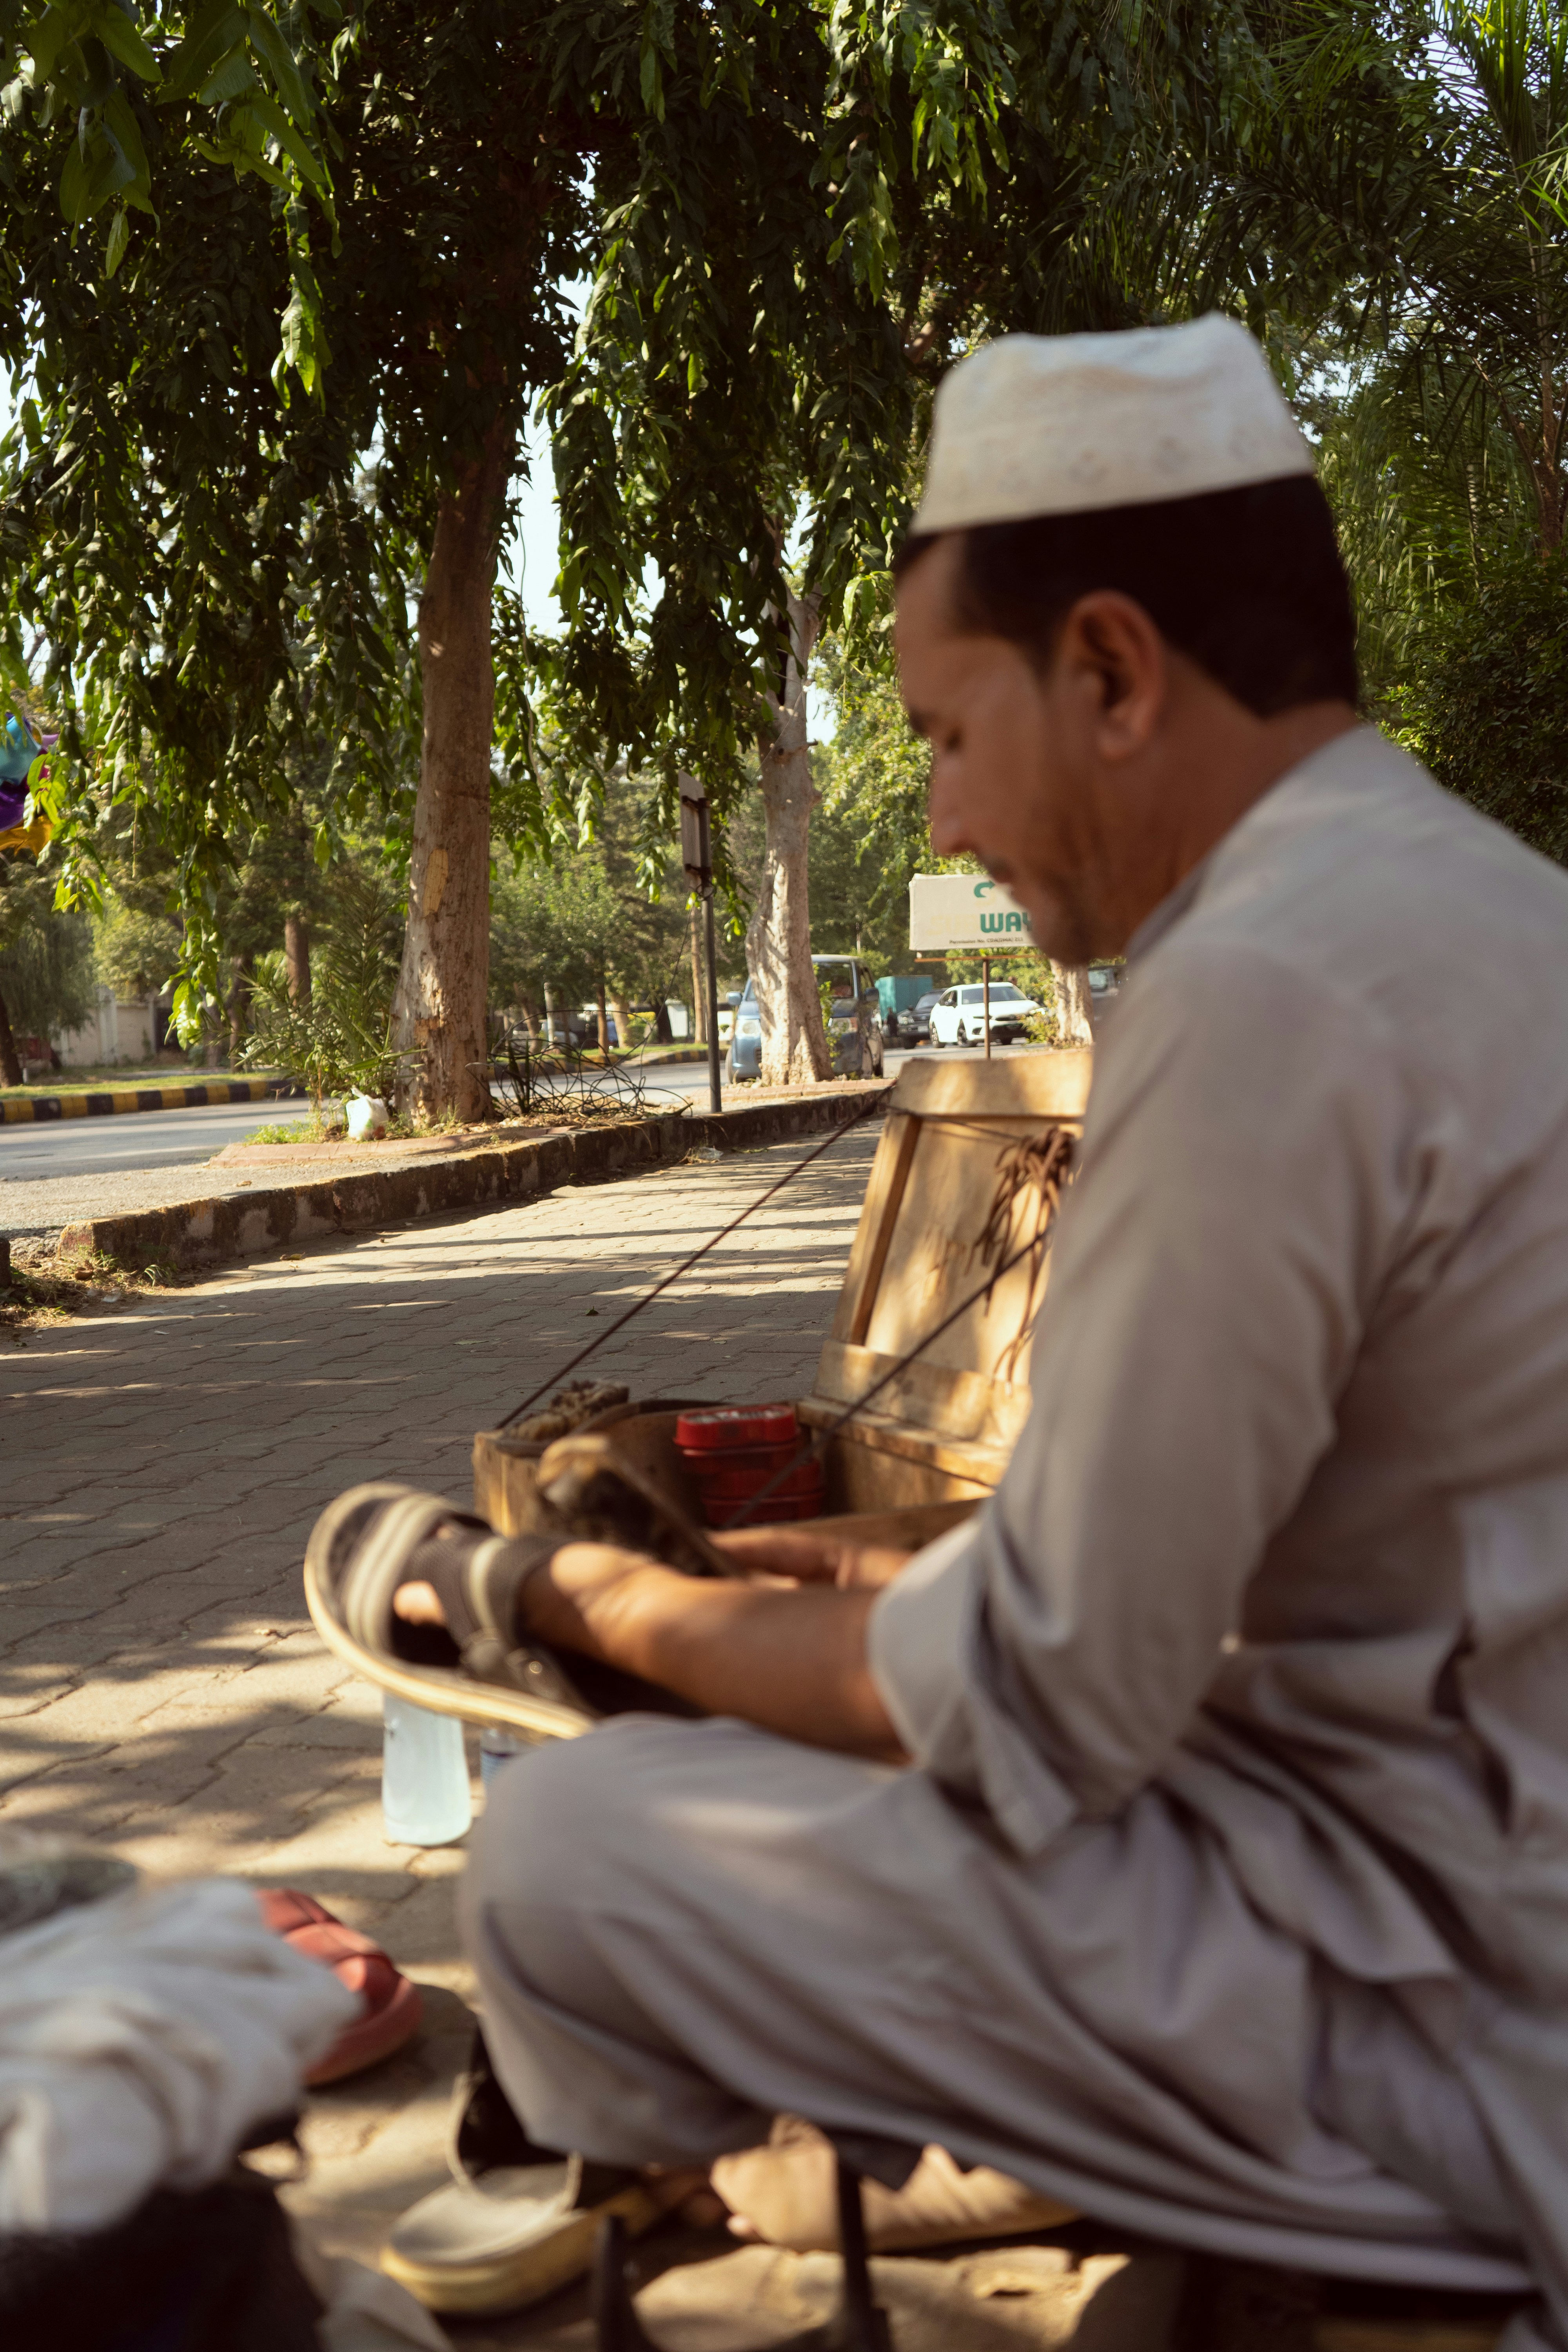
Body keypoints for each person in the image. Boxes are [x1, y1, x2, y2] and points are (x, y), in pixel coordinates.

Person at [396, 316, 1568, 2347]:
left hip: (1453, 2024)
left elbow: (1050, 1706)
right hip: (1461, 1867)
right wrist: (909, 1571)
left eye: (944, 734)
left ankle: (717, 2160)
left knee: (573, 1848)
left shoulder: (1260, 989)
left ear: (1111, 669)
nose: (937, 819)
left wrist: (580, 1602)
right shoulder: (1481, 904)